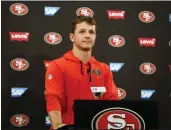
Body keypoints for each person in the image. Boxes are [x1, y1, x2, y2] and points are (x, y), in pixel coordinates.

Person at [44, 16, 118, 130]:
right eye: (82, 31)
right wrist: (58, 126)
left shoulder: (104, 69)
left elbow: (112, 101)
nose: (88, 35)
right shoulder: (57, 66)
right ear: (72, 37)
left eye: (91, 32)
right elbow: (53, 98)